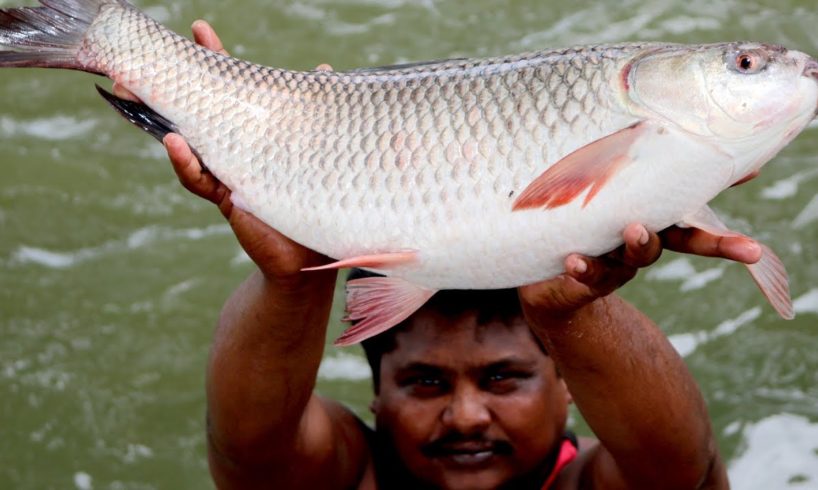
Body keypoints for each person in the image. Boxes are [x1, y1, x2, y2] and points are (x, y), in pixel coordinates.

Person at [115, 21, 764, 489]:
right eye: (424, 382)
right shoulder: (349, 473)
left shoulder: (590, 480)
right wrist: (292, 276)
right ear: (374, 398)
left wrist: (567, 310)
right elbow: (248, 461)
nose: (466, 416)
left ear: (566, 387)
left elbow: (686, 472)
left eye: (503, 378)